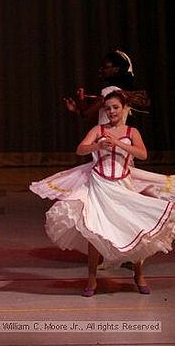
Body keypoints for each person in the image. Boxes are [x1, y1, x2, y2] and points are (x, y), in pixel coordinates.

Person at [31, 91, 175, 297]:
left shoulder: (132, 132)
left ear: (124, 109)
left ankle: (138, 274)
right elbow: (80, 149)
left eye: (115, 107)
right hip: (99, 186)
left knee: (134, 229)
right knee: (94, 231)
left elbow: (142, 154)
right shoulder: (98, 130)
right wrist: (98, 145)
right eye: (108, 108)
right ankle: (91, 279)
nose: (111, 111)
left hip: (123, 186)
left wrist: (118, 143)